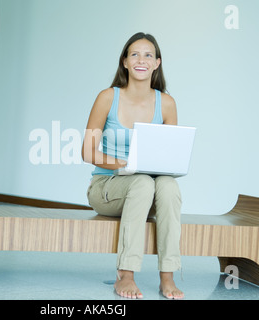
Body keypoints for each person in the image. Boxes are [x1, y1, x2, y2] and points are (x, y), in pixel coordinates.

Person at [81, 32, 184, 299]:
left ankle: (167, 276)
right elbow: (87, 151)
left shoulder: (167, 103)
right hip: (107, 187)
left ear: (157, 63)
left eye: (148, 55)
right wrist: (128, 164)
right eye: (134, 54)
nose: (141, 60)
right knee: (140, 181)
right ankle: (125, 274)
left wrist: (150, 167)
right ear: (125, 62)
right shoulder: (107, 97)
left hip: (146, 189)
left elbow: (168, 156)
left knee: (168, 184)